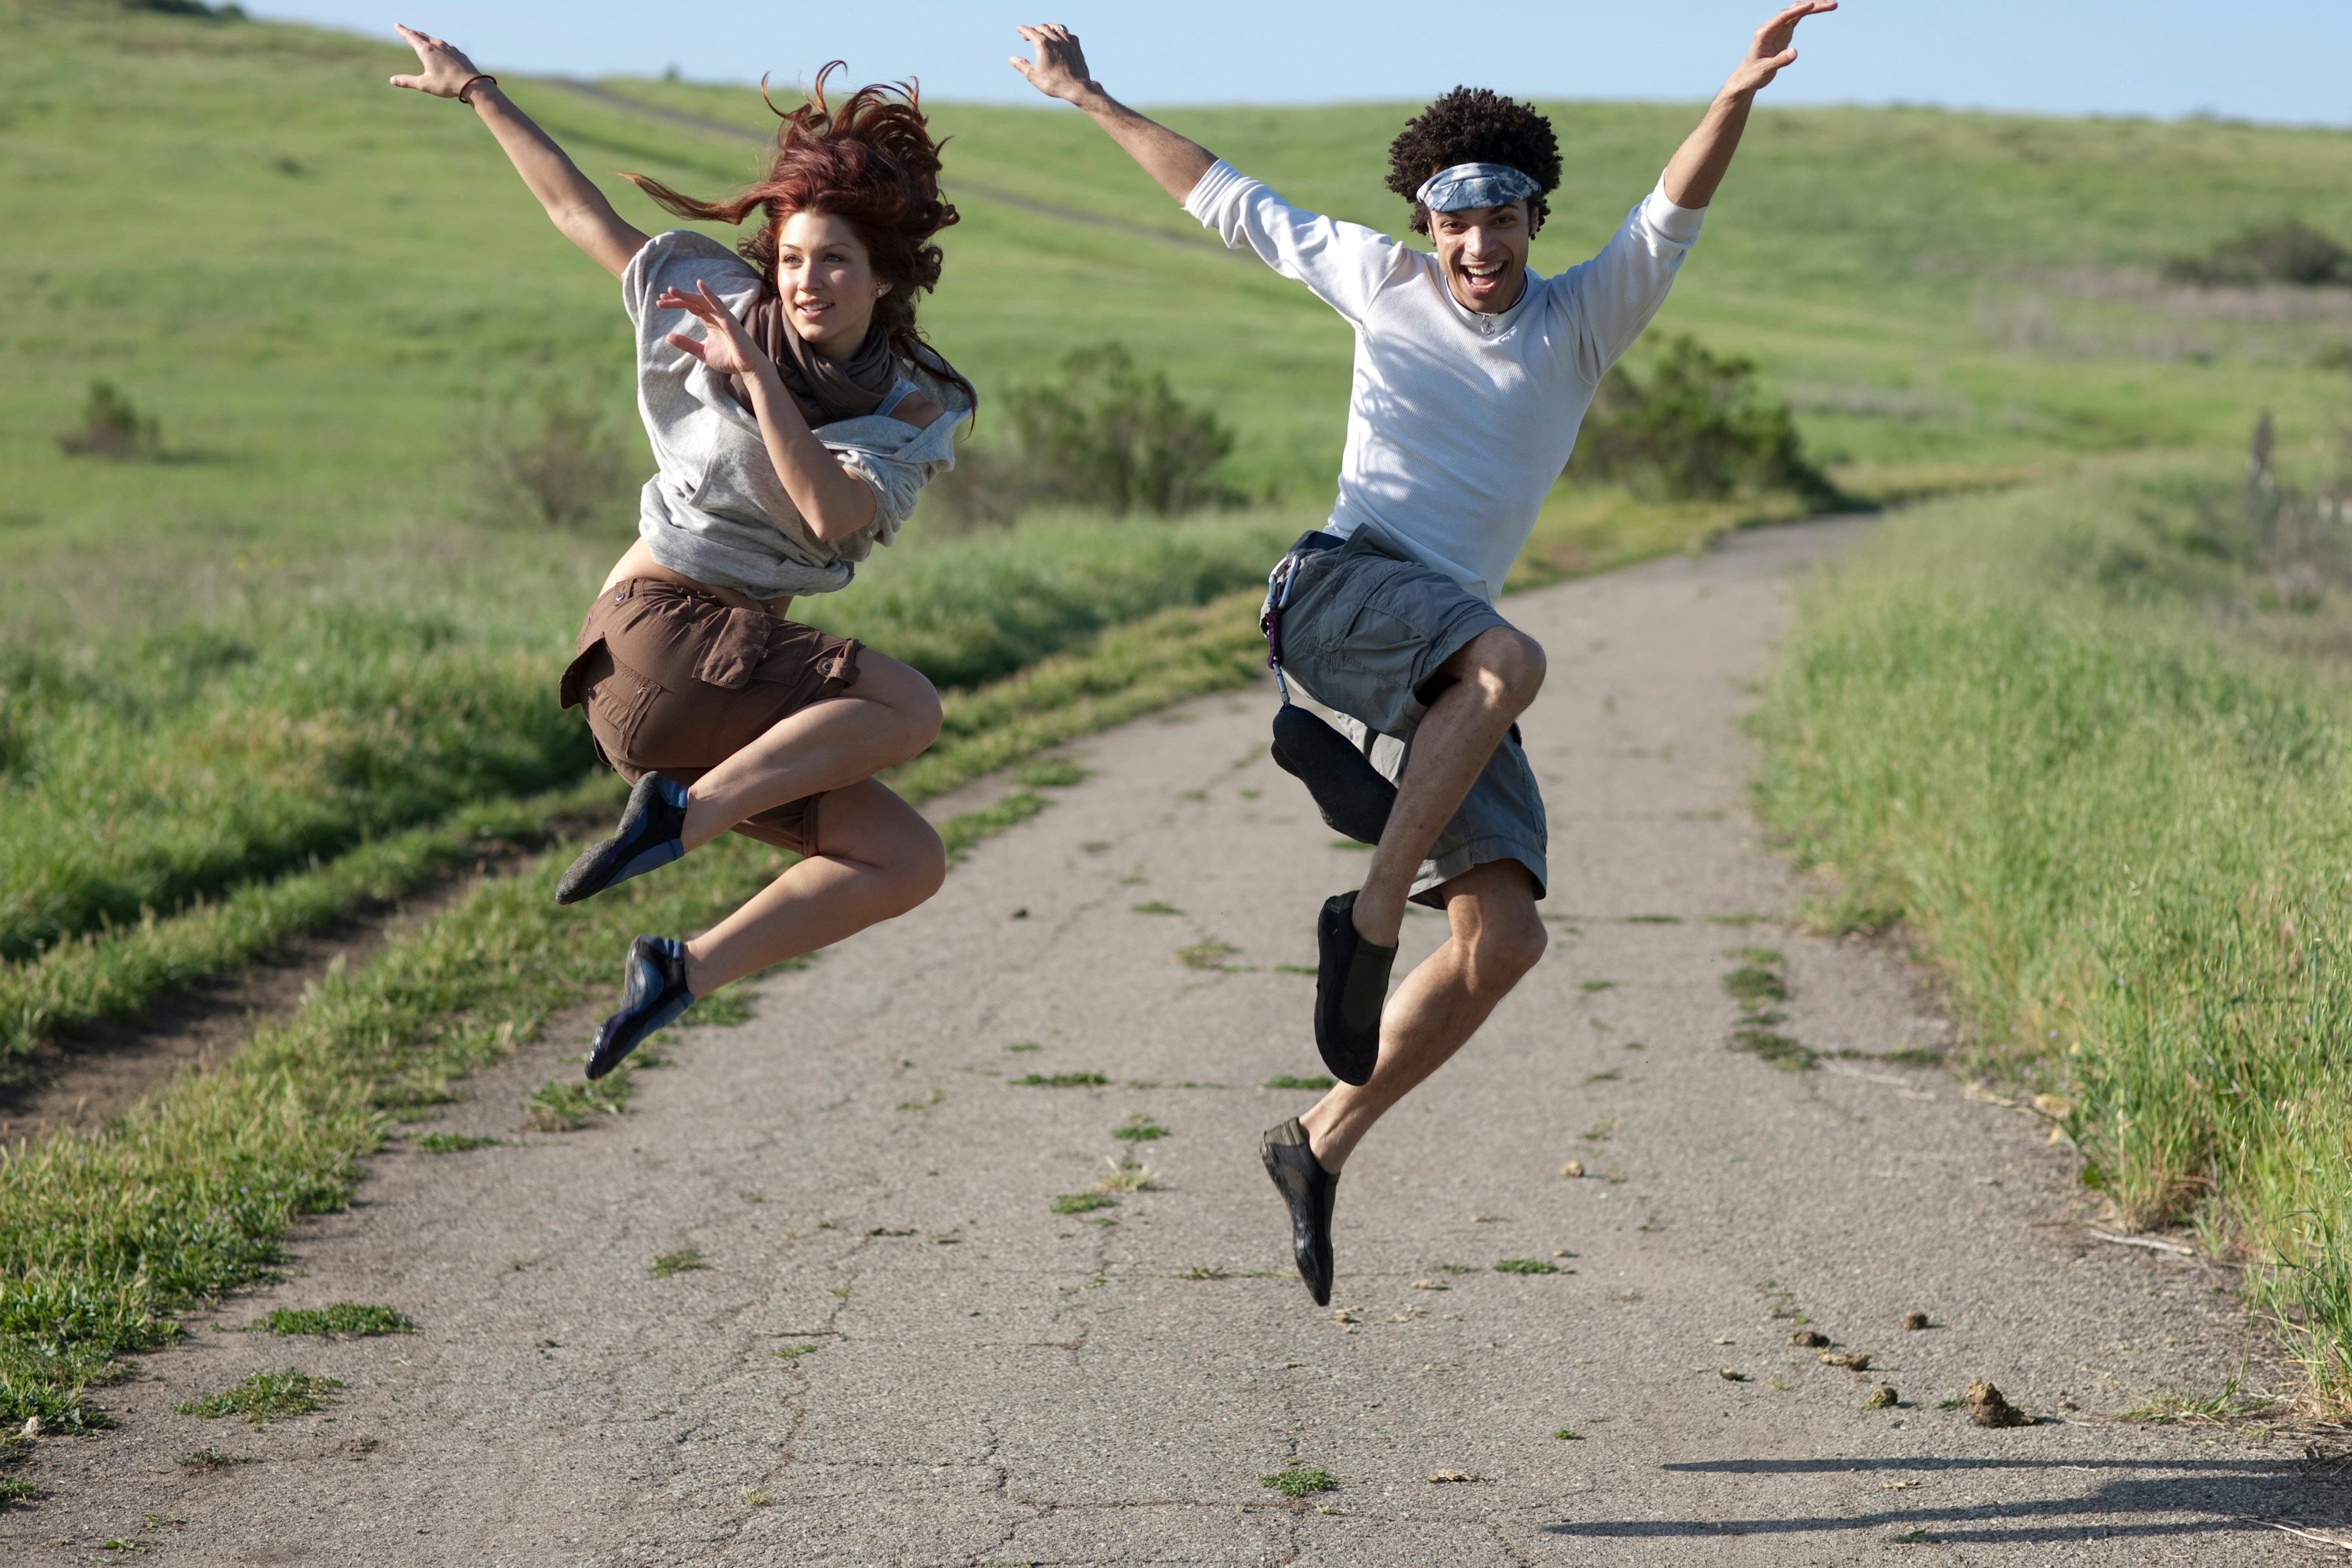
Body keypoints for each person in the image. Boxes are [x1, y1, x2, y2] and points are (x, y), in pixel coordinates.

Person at [1011, 5, 1838, 1305]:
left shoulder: (1583, 321)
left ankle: (1317, 1140)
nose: (1476, 243)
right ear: (1427, 226)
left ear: (1531, 223)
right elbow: (1225, 200)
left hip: (1442, 660)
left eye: (1499, 219)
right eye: (1454, 221)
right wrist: (1088, 96)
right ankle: (1373, 909)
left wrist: (1734, 94)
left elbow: (1673, 211)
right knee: (1513, 664)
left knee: (1506, 941)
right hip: (1338, 590)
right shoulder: (1377, 279)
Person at [392, 27, 971, 1079]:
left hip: (716, 691)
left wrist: (753, 375)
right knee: (912, 710)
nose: (805, 281)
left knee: (905, 859)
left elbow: (833, 510)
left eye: (833, 260)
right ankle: (676, 818)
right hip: (653, 640)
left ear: (884, 275)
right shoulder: (721, 307)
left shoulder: (915, 404)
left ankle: (678, 970)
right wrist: (477, 90)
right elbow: (583, 217)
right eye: (791, 257)